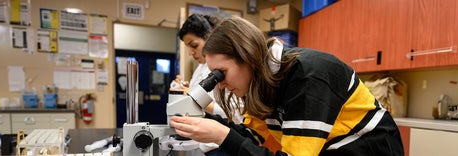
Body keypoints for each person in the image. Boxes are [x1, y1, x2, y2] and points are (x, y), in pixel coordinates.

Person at [170, 16, 404, 156]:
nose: (219, 85)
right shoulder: (264, 82)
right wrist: (209, 124)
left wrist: (222, 136)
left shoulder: (305, 76)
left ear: (247, 57)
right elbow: (249, 137)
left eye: (221, 73)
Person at [177, 14, 243, 155]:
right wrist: (184, 89)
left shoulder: (226, 70)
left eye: (194, 45)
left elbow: (236, 114)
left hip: (219, 146)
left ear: (209, 39)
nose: (190, 53)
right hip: (202, 145)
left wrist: (195, 97)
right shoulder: (200, 67)